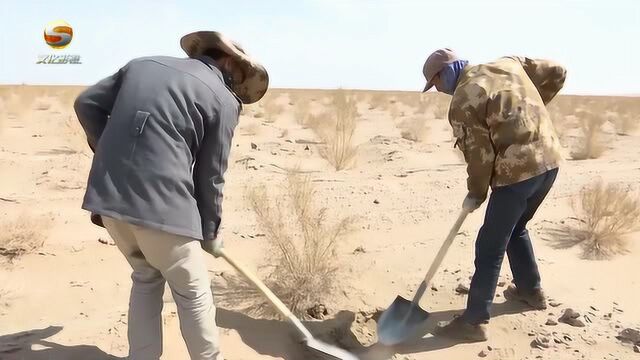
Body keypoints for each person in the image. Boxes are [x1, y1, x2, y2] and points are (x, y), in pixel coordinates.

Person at [74, 31, 268, 360]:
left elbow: (86, 103)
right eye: (241, 75)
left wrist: (107, 149)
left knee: (146, 278)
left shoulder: (142, 65)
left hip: (109, 201)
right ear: (228, 61)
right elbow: (210, 175)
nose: (238, 84)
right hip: (162, 210)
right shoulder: (223, 99)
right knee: (193, 293)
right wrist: (210, 232)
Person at [421, 48, 566, 341]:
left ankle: (473, 322)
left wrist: (476, 192)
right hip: (550, 161)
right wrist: (532, 110)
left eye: (435, 83)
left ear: (444, 72)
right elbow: (557, 70)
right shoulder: (508, 63)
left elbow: (480, 155)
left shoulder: (464, 97)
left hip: (518, 173)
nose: (438, 90)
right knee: (516, 228)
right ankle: (530, 290)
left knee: (490, 245)